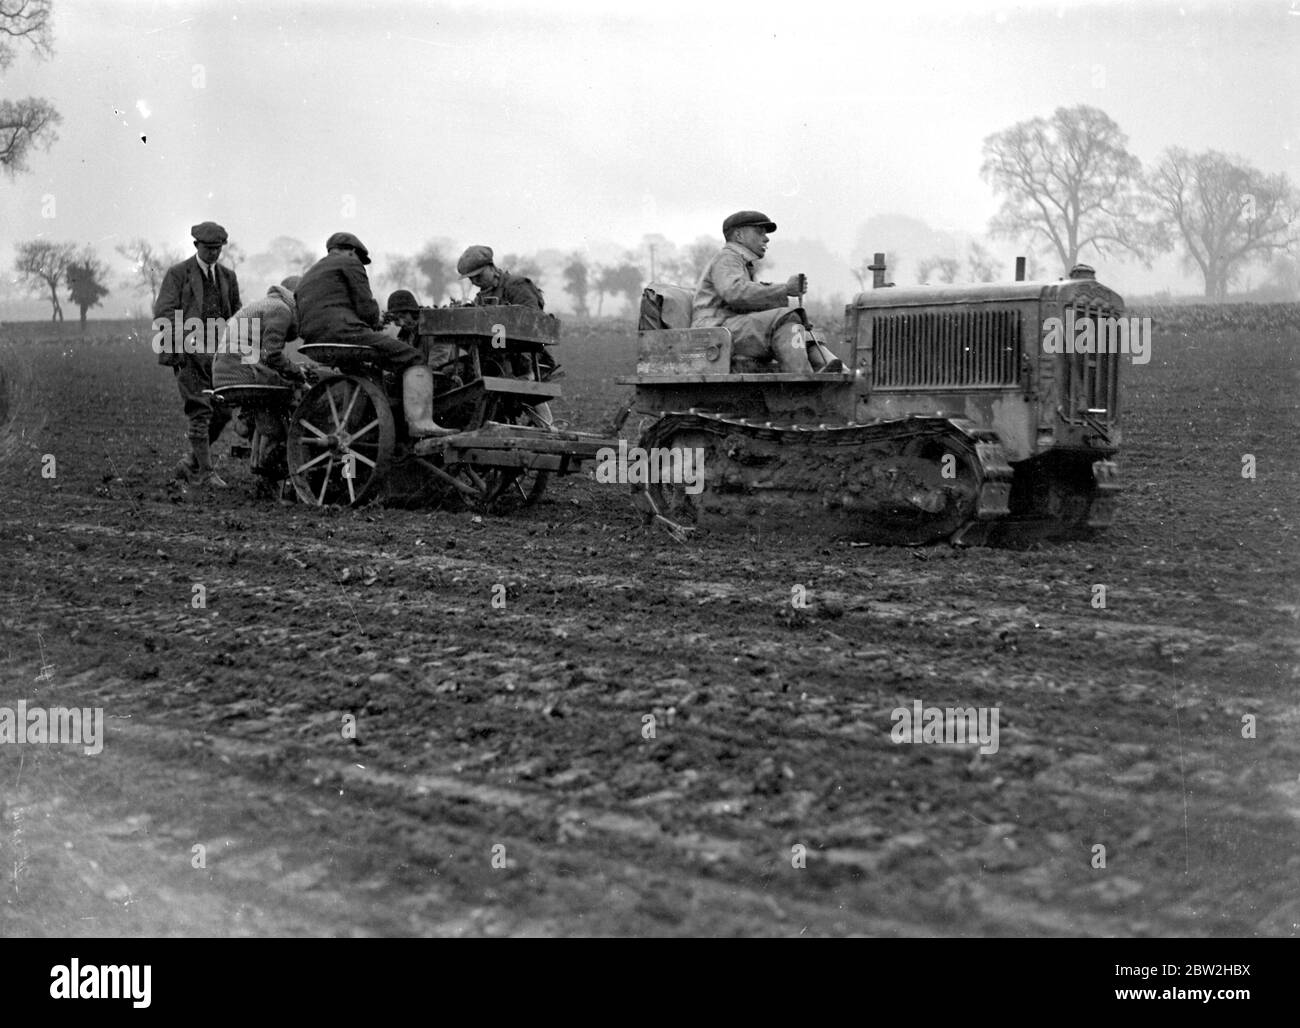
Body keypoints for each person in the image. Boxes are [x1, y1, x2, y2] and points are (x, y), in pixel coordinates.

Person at [295, 232, 452, 437]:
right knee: (414, 358)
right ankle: (421, 423)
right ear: (352, 251)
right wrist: (373, 321)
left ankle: (361, 425)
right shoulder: (350, 263)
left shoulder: (308, 275)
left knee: (365, 371)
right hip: (344, 334)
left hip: (313, 341)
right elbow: (367, 311)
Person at [692, 210, 843, 373]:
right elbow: (735, 293)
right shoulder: (728, 258)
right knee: (788, 318)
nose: (766, 238)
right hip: (715, 329)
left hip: (727, 328)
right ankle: (804, 382)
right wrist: (784, 289)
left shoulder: (740, 263)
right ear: (739, 235)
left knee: (795, 322)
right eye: (759, 232)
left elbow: (743, 300)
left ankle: (830, 367)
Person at [154, 220, 242, 486]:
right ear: (196, 246)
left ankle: (190, 463)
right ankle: (205, 473)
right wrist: (183, 347)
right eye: (208, 248)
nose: (213, 253)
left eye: (218, 248)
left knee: (223, 412)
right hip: (190, 355)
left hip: (218, 357)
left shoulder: (228, 277)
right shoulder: (178, 274)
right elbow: (165, 312)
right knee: (200, 411)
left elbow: (236, 313)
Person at [456, 245, 556, 425]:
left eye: (479, 276)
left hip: (525, 357)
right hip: (493, 358)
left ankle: (547, 427)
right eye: (471, 279)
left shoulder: (517, 286)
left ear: (492, 267)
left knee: (524, 389)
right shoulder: (481, 297)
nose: (475, 282)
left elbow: (532, 325)